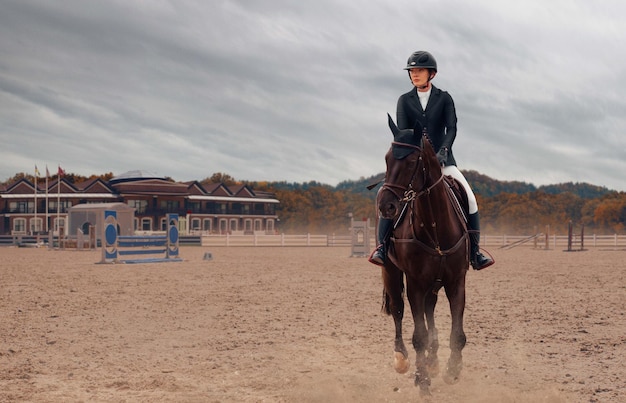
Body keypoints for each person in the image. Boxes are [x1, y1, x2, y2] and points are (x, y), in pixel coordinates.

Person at [369, 50, 494, 270]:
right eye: (412, 71)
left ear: (431, 74)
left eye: (419, 71)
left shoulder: (444, 98)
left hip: (443, 162)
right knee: (388, 195)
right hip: (413, 165)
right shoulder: (404, 100)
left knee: (471, 199)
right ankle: (382, 247)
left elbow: (452, 128)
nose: (415, 75)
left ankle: (474, 252)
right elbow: (405, 133)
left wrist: (444, 151)